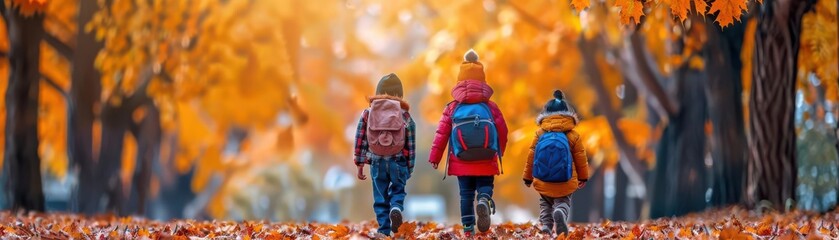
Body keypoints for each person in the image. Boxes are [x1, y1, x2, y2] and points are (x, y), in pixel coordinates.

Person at [428, 50, 508, 236]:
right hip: (487, 155)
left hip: (461, 157)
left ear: (460, 81)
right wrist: (499, 150)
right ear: (483, 82)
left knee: (465, 195)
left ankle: (468, 231)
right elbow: (503, 131)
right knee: (485, 185)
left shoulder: (452, 107)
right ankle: (484, 199)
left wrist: (435, 157)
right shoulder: (490, 106)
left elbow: (441, 133)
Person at [354, 73, 416, 236]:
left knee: (380, 196)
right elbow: (411, 140)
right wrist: (409, 166)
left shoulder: (368, 113)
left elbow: (360, 137)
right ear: (400, 94)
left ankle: (383, 231)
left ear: (379, 92)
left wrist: (360, 163)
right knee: (398, 190)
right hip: (398, 160)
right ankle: (395, 208)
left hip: (376, 160)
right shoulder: (404, 114)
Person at [523, 90, 589, 235]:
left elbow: (531, 156)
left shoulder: (540, 134)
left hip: (543, 178)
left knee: (545, 203)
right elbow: (580, 158)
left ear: (545, 114)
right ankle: (560, 211)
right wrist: (583, 177)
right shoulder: (573, 135)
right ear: (567, 114)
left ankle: (546, 225)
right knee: (563, 201)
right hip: (565, 179)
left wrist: (527, 177)